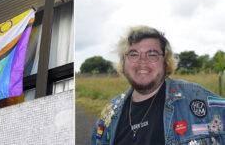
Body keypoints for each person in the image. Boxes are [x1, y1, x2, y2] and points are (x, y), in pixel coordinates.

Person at [91, 26, 225, 145]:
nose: (142, 61)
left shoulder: (202, 100)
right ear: (123, 62)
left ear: (165, 62)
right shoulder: (109, 114)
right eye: (133, 54)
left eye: (152, 54)